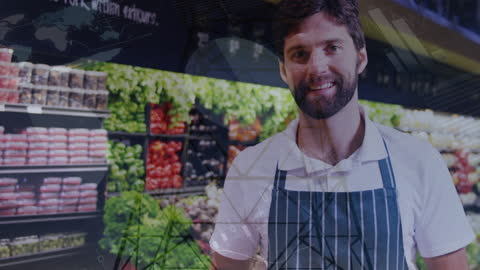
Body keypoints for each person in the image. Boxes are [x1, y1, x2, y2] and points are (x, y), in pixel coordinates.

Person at [209, 0, 475, 269]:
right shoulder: (252, 167)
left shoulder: (419, 161)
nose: (317, 67)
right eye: (299, 54)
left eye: (332, 48)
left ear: (360, 58)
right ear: (283, 70)